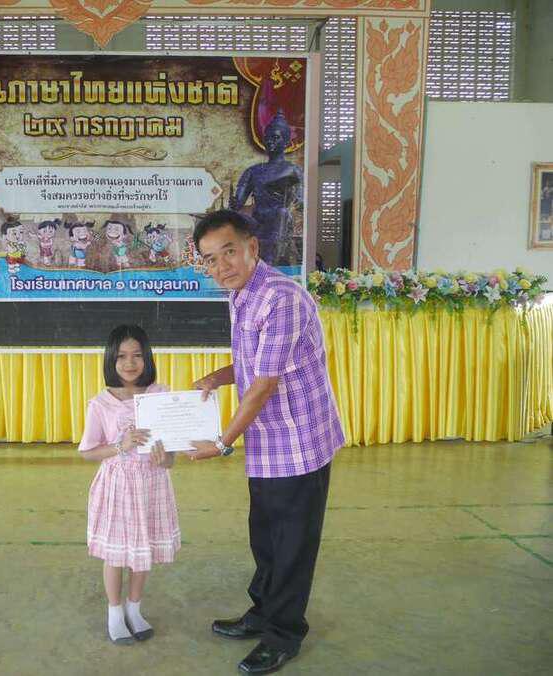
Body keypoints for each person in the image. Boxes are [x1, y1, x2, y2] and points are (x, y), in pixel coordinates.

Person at [187, 210, 344, 674]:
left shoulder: (281, 298)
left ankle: (284, 634)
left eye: (229, 252)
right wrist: (218, 376)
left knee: (292, 545)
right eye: (210, 259)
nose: (221, 266)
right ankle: (262, 612)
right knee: (266, 537)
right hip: (266, 441)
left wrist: (222, 442)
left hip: (299, 442)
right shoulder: (240, 295)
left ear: (252, 247)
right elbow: (251, 362)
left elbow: (264, 383)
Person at [78, 325, 180, 645]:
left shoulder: (160, 395)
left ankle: (135, 610)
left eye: (137, 355)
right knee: (116, 555)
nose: (130, 363)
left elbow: (171, 455)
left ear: (147, 358)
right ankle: (114, 612)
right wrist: (120, 446)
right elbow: (88, 452)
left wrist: (166, 459)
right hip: (118, 486)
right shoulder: (101, 403)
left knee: (142, 549)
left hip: (152, 484)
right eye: (121, 356)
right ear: (111, 359)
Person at [230, 111, 303, 266]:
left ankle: (271, 263)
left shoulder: (293, 170)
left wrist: (290, 194)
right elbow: (238, 204)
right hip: (258, 221)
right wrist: (234, 203)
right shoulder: (253, 171)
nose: (271, 142)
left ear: (286, 141)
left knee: (281, 213)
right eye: (268, 137)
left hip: (279, 221)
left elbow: (301, 202)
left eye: (275, 137)